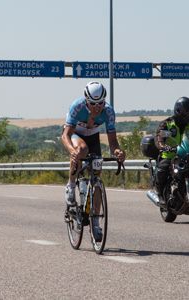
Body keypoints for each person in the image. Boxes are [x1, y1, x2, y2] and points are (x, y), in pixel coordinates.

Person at [61, 82, 125, 240]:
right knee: (81, 150)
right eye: (93, 104)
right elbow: (65, 135)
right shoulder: (77, 106)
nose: (97, 107)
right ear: (86, 100)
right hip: (76, 135)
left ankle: (95, 223)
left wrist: (117, 152)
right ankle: (70, 184)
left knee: (97, 177)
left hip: (93, 138)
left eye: (101, 103)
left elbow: (113, 142)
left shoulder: (109, 111)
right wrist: (72, 152)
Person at [154, 97, 189, 207]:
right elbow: (159, 137)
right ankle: (160, 194)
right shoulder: (168, 124)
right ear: (178, 111)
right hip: (171, 154)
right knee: (163, 168)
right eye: (185, 112)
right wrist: (162, 146)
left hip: (188, 154)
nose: (188, 115)